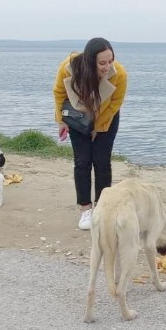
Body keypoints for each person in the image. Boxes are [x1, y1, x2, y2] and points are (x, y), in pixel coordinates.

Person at [53, 37, 127, 230]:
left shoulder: (119, 74)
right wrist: (61, 120)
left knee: (102, 161)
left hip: (106, 117)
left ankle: (103, 208)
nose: (107, 66)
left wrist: (99, 127)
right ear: (89, 60)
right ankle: (85, 208)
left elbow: (115, 104)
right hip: (78, 116)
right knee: (82, 160)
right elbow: (59, 93)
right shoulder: (67, 68)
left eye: (110, 61)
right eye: (102, 63)